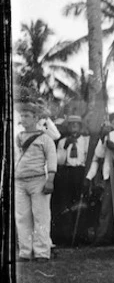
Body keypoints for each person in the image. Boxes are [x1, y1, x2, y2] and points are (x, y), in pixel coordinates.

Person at [15, 99, 58, 262]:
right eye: (22, 116)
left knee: (41, 216)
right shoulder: (17, 137)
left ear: (35, 118)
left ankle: (42, 252)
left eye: (27, 116)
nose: (23, 119)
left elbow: (52, 159)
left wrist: (50, 180)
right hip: (19, 181)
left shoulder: (44, 138)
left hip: (38, 180)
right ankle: (25, 252)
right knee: (22, 217)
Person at [85, 110, 114, 245]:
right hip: (112, 171)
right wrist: (103, 139)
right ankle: (102, 237)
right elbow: (99, 154)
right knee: (107, 206)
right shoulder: (109, 135)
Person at [53, 115, 91, 245]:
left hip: (81, 172)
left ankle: (81, 237)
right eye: (71, 124)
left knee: (81, 204)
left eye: (76, 124)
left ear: (80, 126)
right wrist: (64, 148)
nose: (74, 126)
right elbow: (59, 161)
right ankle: (66, 237)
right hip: (67, 173)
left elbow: (88, 158)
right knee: (67, 204)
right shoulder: (63, 141)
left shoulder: (86, 140)